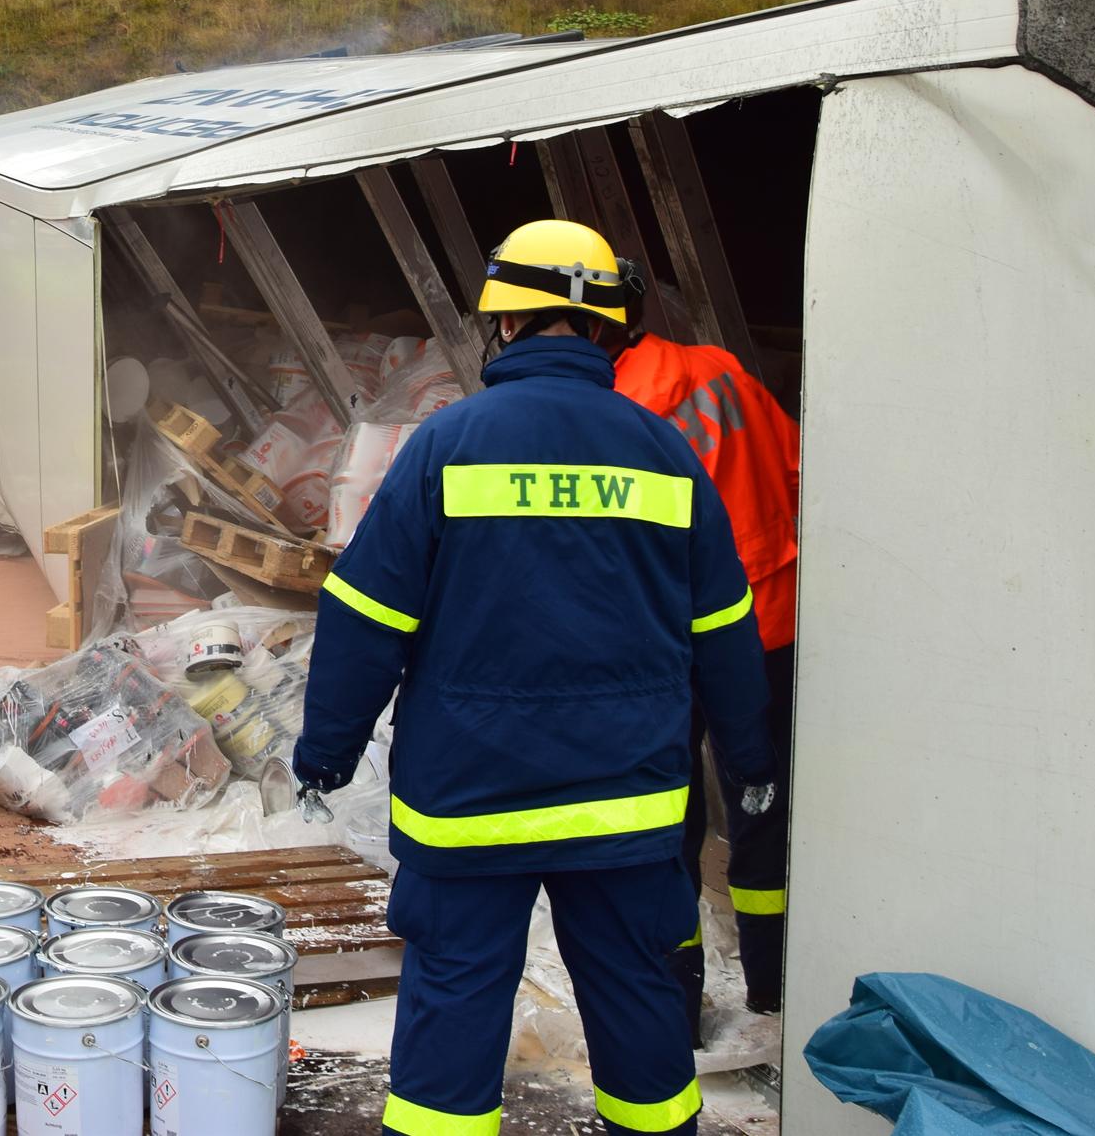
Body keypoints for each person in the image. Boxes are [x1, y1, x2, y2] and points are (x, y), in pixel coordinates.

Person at [292, 218, 776, 1136]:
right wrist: (750, 760)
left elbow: (365, 617)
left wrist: (327, 752)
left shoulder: (446, 444)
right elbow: (724, 629)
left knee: (453, 1006)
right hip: (624, 806)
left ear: (503, 323)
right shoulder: (665, 452)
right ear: (607, 329)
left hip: (468, 800)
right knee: (638, 1000)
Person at [612, 291, 802, 1019]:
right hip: (769, 623)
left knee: (670, 820)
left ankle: (679, 1002)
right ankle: (771, 984)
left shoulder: (616, 415)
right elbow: (795, 467)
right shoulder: (723, 371)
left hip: (669, 644)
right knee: (762, 802)